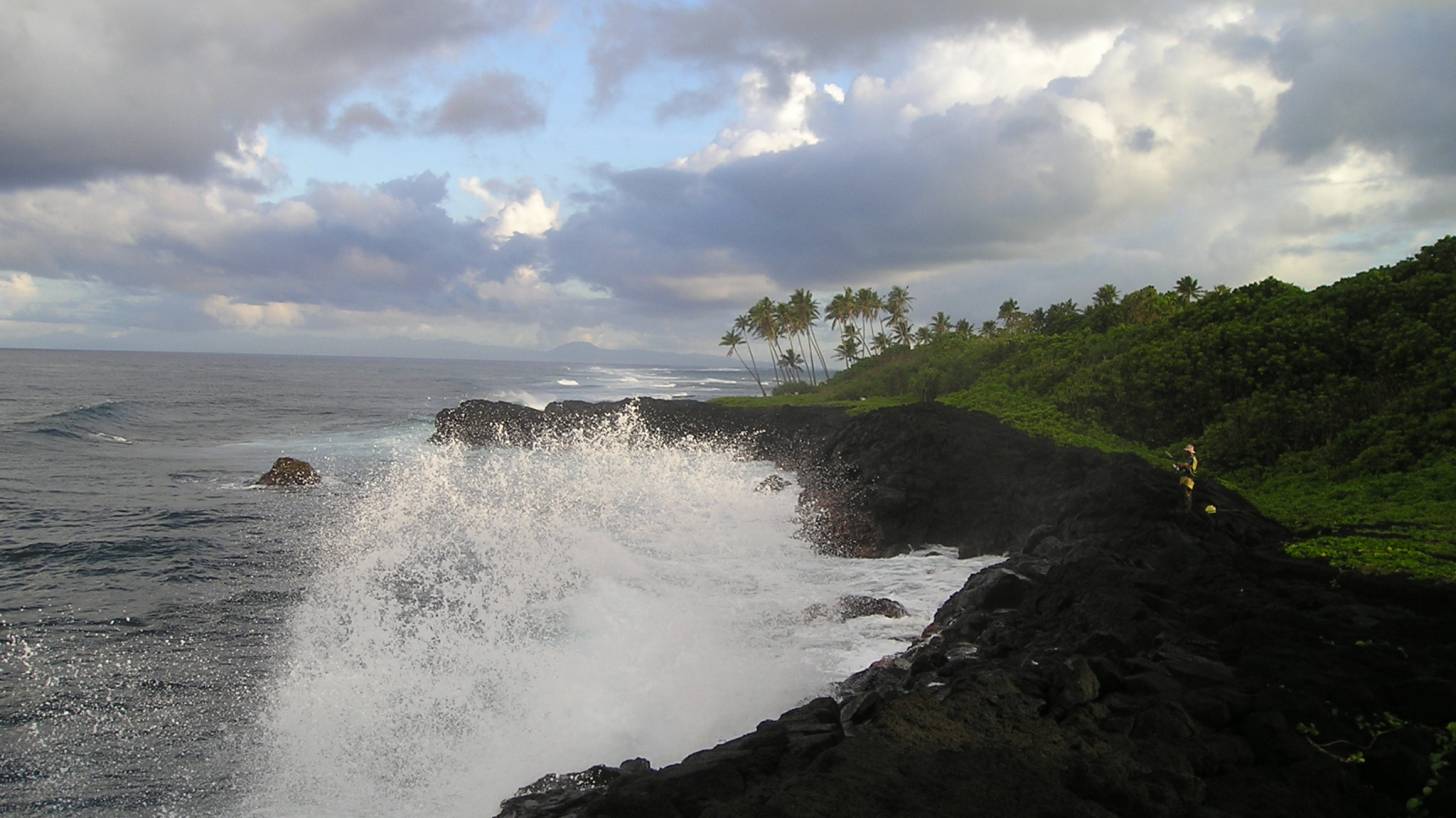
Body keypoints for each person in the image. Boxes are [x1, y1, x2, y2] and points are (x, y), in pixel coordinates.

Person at [1174, 443, 1198, 511]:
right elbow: (1186, 467)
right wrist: (1178, 467)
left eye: (1187, 451)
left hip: (1187, 478)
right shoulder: (1193, 459)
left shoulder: (1191, 458)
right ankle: (1187, 509)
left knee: (1185, 494)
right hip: (1190, 478)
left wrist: (1179, 465)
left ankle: (1186, 509)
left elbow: (1186, 466)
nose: (1186, 452)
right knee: (1188, 494)